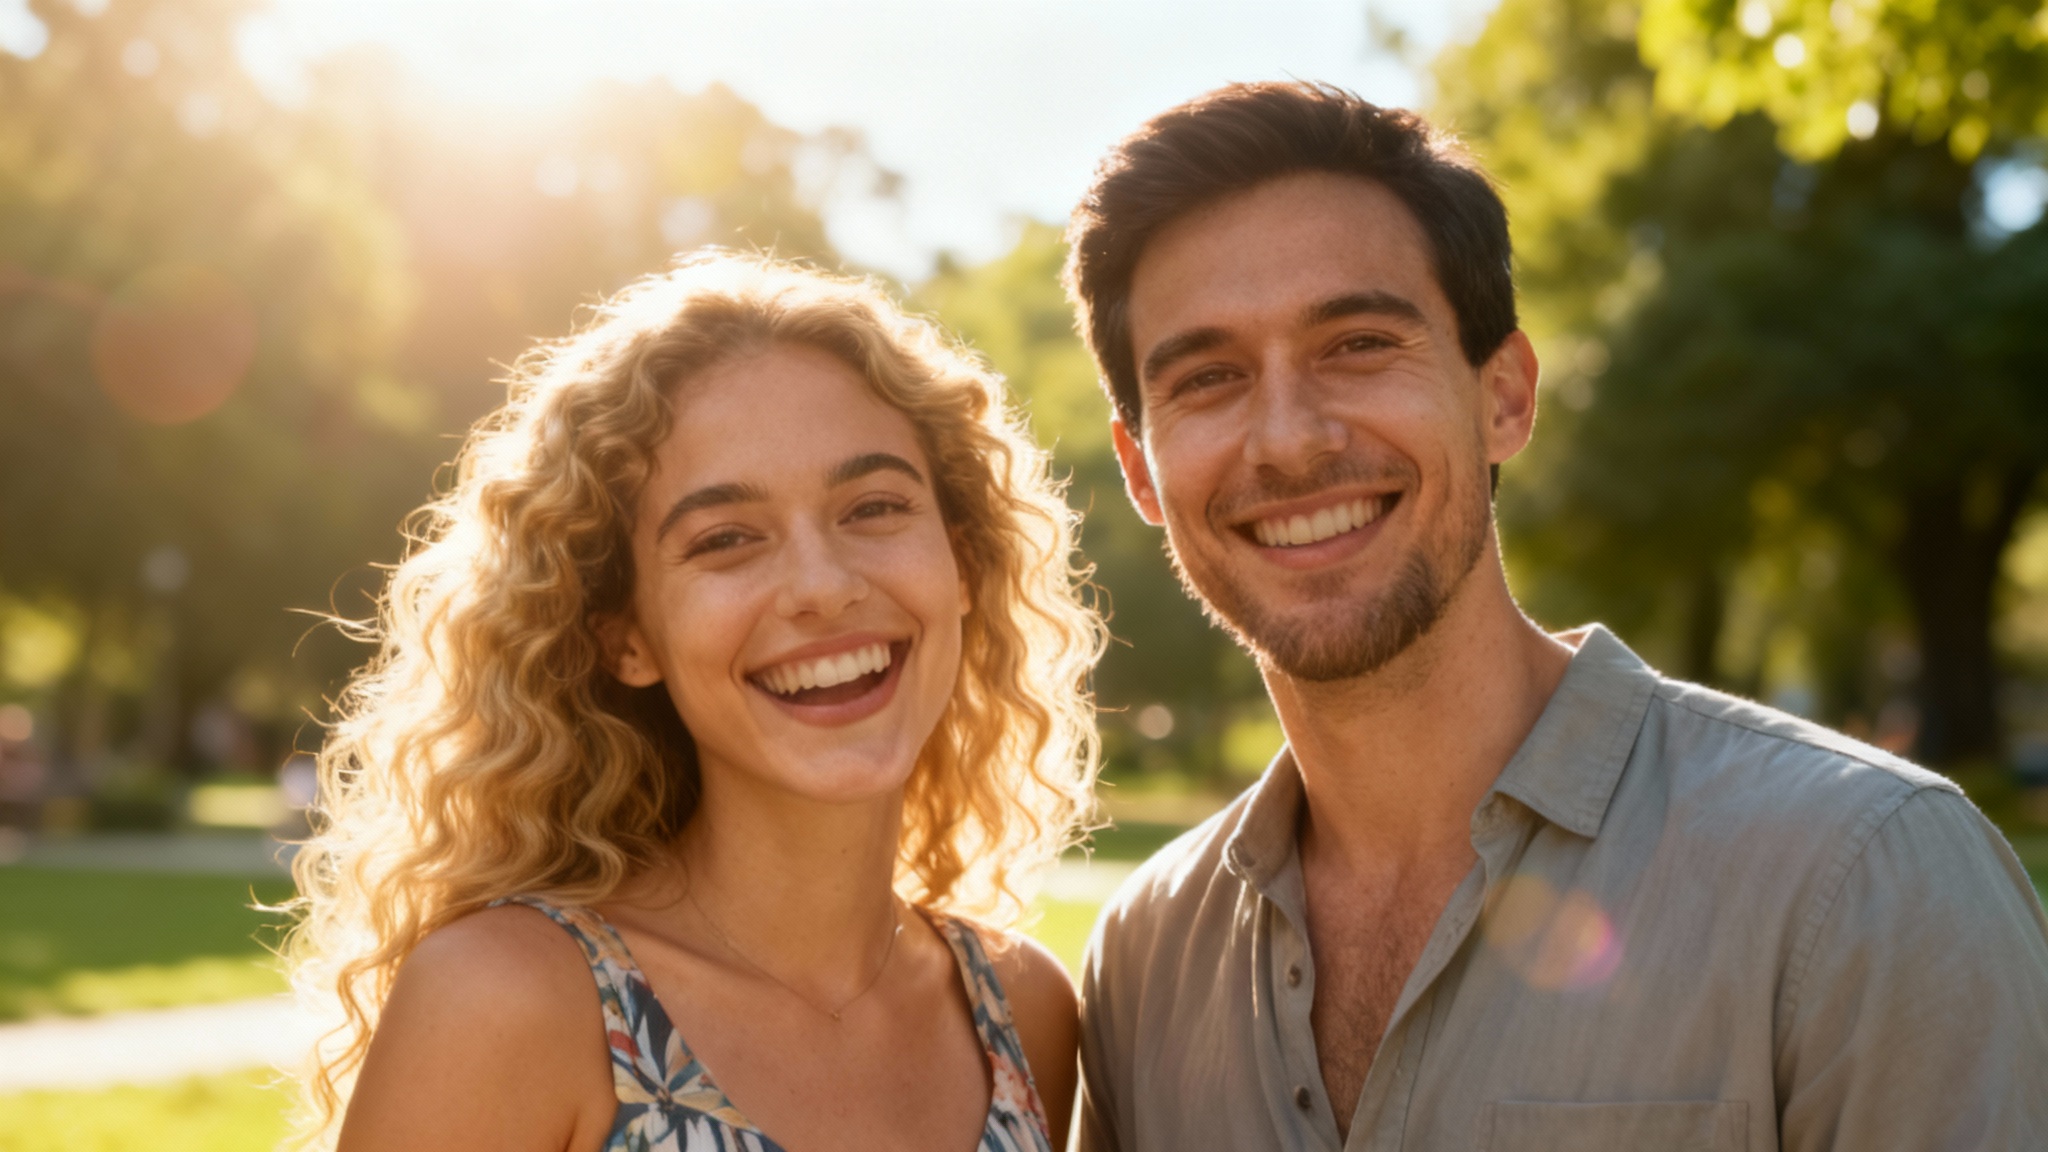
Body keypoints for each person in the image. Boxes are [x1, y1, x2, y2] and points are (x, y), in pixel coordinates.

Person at [1063, 81, 2048, 1151]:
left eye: (1355, 344)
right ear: (1140, 473)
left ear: (1503, 397)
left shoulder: (1864, 878)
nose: (1289, 441)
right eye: (1206, 377)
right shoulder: (1145, 958)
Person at [285, 254, 1103, 1152]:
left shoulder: (1025, 1010)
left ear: (963, 567)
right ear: (625, 638)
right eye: (725, 539)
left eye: (872, 507)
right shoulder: (510, 1000)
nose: (822, 587)